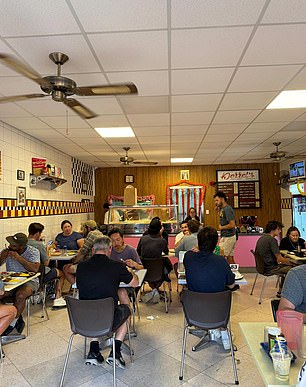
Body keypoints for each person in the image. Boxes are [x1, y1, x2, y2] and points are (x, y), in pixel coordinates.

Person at [76, 236, 139, 368]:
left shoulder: (81, 267)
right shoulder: (116, 266)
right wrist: (131, 272)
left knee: (93, 305)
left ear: (93, 250)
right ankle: (115, 352)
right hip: (107, 319)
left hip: (83, 321)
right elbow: (135, 283)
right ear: (109, 249)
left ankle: (94, 351)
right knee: (126, 310)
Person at [184, 226, 236, 350]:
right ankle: (223, 334)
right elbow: (231, 285)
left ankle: (217, 332)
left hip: (193, 312)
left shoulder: (188, 257)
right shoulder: (221, 262)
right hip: (218, 313)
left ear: (198, 241)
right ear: (216, 244)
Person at [0, 233, 40, 335]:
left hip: (30, 281)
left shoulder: (33, 251)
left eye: (13, 245)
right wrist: (1, 257)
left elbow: (35, 269)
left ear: (21, 246)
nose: (10, 246)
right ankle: (5, 317)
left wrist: (19, 258)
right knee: (1, 294)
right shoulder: (8, 251)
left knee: (21, 295)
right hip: (11, 281)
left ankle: (12, 323)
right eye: (10, 244)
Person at [28, 222, 66, 307]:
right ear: (38, 233)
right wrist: (48, 252)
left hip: (27, 274)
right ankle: (58, 298)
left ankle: (45, 293)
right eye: (40, 233)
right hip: (40, 275)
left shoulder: (23, 243)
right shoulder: (39, 245)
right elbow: (46, 263)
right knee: (61, 273)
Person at [137, 218, 172, 303]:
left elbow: (138, 252)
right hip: (158, 272)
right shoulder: (162, 240)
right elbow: (166, 252)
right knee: (167, 267)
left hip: (144, 272)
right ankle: (156, 289)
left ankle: (154, 289)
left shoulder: (143, 238)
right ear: (160, 228)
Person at [255, 220, 294, 293]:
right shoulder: (272, 240)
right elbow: (280, 259)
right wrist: (292, 262)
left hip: (262, 267)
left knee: (286, 267)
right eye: (278, 229)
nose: (280, 231)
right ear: (272, 230)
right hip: (270, 268)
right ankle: (285, 292)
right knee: (293, 269)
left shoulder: (262, 238)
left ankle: (282, 291)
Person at [108, 228, 143, 306]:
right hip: (112, 282)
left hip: (127, 283)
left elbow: (141, 268)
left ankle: (126, 315)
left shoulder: (131, 250)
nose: (115, 243)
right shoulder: (108, 252)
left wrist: (134, 264)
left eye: (118, 240)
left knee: (121, 291)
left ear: (123, 239)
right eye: (112, 241)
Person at [63, 220, 103, 285]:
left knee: (66, 268)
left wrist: (74, 261)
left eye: (84, 228)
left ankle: (79, 288)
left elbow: (83, 251)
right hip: (98, 264)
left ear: (88, 228)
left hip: (89, 265)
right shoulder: (99, 233)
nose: (83, 230)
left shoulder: (92, 234)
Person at [214, 191, 236, 264]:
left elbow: (232, 224)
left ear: (222, 199)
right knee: (230, 257)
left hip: (228, 236)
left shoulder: (227, 209)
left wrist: (222, 227)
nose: (216, 202)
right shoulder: (222, 209)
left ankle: (221, 274)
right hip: (226, 236)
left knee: (219, 256)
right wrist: (217, 207)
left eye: (217, 200)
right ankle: (235, 274)